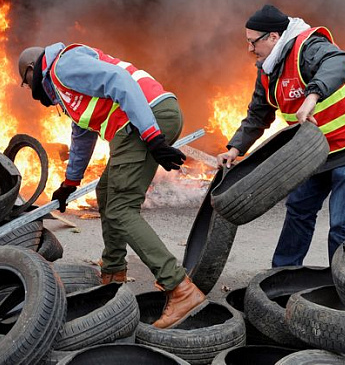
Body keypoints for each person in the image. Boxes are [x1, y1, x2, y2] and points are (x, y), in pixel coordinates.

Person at [18, 43, 205, 329]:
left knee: (121, 209)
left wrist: (152, 135)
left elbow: (120, 82)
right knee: (107, 195)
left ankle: (180, 288)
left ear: (32, 70)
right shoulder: (66, 91)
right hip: (138, 123)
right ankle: (113, 273)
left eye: (27, 83)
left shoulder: (62, 66)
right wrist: (70, 182)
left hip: (142, 120)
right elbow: (82, 136)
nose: (34, 96)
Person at [216, 4, 345, 267]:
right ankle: (281, 275)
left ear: (273, 37)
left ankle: (343, 286)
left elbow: (340, 60)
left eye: (253, 42)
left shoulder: (308, 47)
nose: (250, 49)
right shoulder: (267, 69)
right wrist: (235, 148)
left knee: (342, 224)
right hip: (315, 152)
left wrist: (313, 94)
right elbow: (258, 115)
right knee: (299, 209)